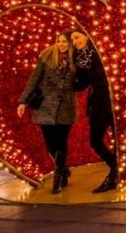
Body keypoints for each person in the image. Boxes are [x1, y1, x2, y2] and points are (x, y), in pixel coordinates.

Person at [18, 32, 76, 194]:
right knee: (50, 144)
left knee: (62, 143)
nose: (62, 44)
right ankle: (64, 169)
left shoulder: (76, 59)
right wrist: (23, 101)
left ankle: (58, 178)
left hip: (66, 106)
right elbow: (34, 79)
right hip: (46, 106)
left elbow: (82, 81)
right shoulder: (46, 56)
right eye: (59, 41)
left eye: (65, 41)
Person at [70, 28, 118, 193]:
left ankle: (114, 176)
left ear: (86, 36)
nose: (75, 41)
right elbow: (82, 83)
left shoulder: (100, 51)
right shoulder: (78, 58)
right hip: (97, 101)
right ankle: (116, 165)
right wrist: (65, 82)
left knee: (120, 139)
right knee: (95, 141)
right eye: (73, 40)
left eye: (77, 37)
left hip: (113, 99)